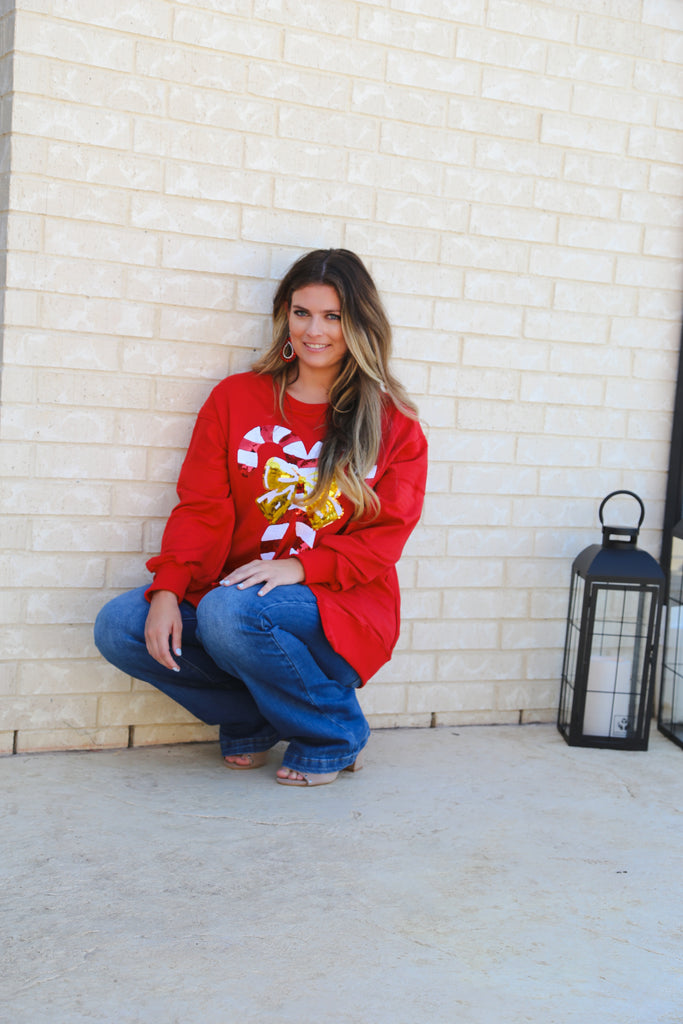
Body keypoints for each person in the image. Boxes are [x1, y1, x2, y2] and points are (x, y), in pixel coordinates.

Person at [94, 249, 428, 787]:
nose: (314, 330)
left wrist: (299, 568)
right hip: (237, 602)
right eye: (302, 313)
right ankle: (252, 718)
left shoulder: (393, 424)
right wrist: (167, 590)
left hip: (337, 607)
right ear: (284, 317)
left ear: (359, 323)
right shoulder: (235, 399)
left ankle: (334, 731)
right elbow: (201, 507)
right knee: (121, 626)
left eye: (333, 316)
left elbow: (385, 539)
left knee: (231, 610)